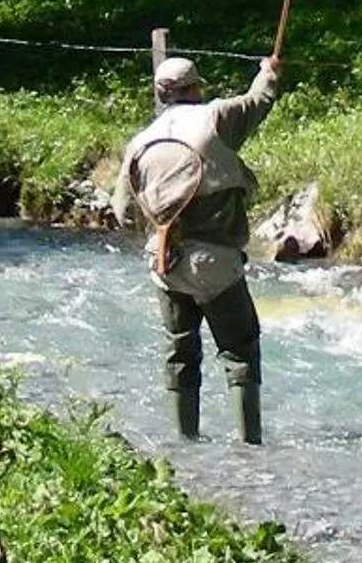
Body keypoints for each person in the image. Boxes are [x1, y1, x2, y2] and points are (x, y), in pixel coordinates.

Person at [114, 49, 282, 443]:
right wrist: (268, 72)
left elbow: (122, 213)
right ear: (196, 88)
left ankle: (185, 444)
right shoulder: (216, 117)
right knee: (240, 351)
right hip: (217, 262)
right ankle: (249, 445)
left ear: (160, 94)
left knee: (180, 352)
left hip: (165, 262)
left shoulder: (140, 142)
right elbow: (258, 102)